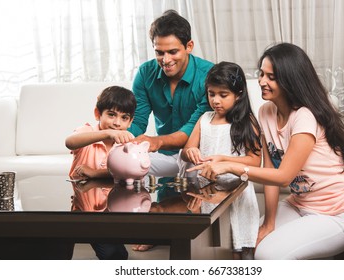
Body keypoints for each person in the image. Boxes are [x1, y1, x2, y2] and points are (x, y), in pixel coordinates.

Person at [188, 43, 344, 260]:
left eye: (271, 77)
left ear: (290, 80)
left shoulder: (305, 116)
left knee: (267, 256)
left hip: (336, 213)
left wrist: (231, 166)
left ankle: (342, 260)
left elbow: (284, 177)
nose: (261, 81)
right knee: (253, 244)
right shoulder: (266, 112)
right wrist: (269, 224)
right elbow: (269, 170)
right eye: (261, 74)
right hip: (299, 204)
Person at [128, 9, 213, 252]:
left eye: (172, 51)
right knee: (129, 165)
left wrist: (155, 142)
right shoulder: (145, 73)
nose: (165, 59)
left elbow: (193, 127)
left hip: (199, 154)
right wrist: (116, 137)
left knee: (192, 230)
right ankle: (146, 225)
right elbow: (138, 121)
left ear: (189, 46)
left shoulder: (209, 74)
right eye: (159, 52)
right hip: (165, 155)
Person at [180, 61, 262, 259]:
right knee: (215, 249)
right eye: (211, 94)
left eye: (223, 95)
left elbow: (254, 161)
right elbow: (186, 149)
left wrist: (226, 162)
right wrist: (190, 152)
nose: (216, 100)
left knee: (241, 250)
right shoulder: (204, 119)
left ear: (239, 94)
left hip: (238, 195)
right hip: (209, 194)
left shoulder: (246, 122)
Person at [65, 85, 136, 260]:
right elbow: (70, 142)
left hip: (112, 210)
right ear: (98, 114)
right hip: (83, 208)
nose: (117, 123)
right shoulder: (88, 132)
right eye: (111, 114)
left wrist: (95, 173)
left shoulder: (125, 142)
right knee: (63, 241)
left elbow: (127, 172)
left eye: (124, 118)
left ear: (130, 121)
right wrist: (106, 134)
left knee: (116, 255)